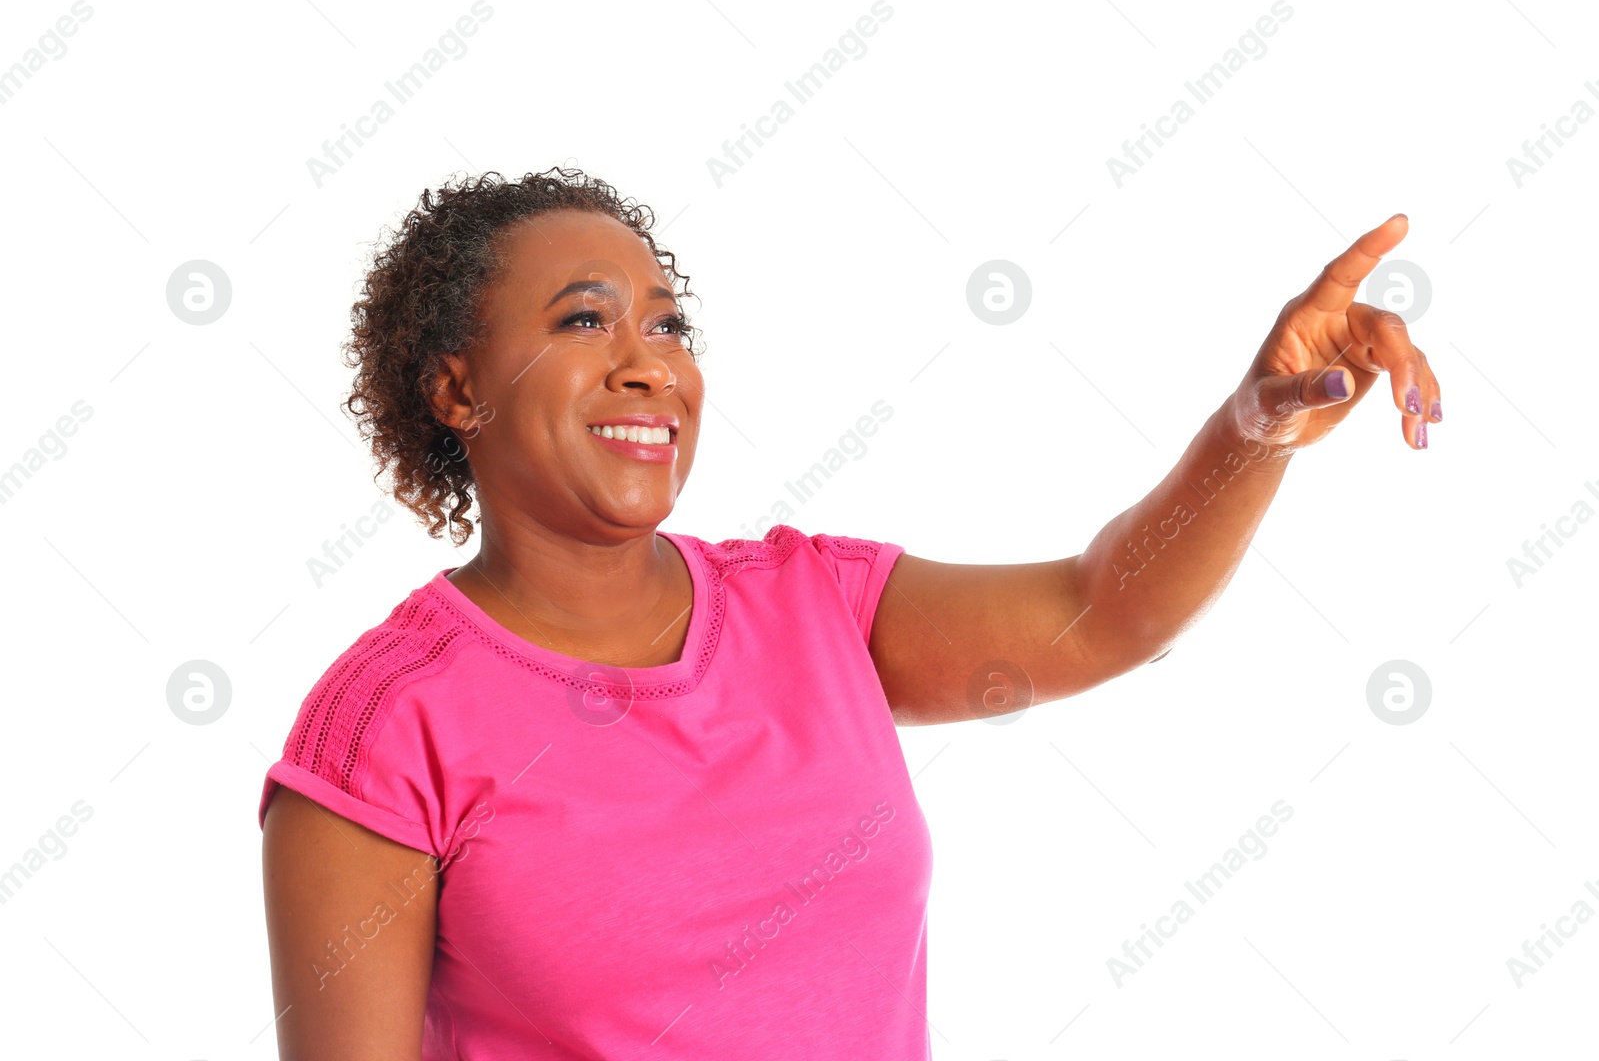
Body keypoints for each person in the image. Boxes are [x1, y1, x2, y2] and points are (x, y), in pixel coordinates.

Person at [259, 167, 1440, 1059]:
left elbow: (1103, 611)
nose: (647, 364)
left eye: (667, 324)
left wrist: (1251, 432)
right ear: (458, 385)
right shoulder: (388, 725)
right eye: (583, 320)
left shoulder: (810, 603)